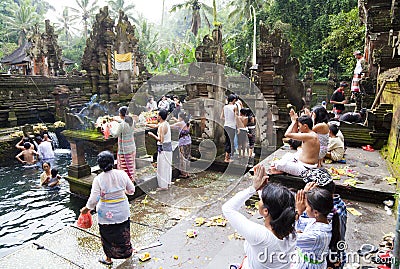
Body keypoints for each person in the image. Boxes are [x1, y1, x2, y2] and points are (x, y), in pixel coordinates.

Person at [222, 165, 296, 269]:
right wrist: (263, 189)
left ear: (266, 211)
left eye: (261, 200)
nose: (259, 200)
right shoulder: (291, 230)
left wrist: (253, 188)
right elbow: (273, 205)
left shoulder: (260, 236)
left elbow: (227, 208)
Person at [80, 151, 135, 266]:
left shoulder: (98, 179)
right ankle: (127, 253)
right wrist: (122, 192)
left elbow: (94, 199)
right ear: (112, 161)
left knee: (107, 236)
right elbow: (131, 190)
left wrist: (87, 208)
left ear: (99, 165)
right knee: (123, 232)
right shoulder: (122, 174)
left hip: (105, 213)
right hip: (122, 211)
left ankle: (108, 259)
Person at [294, 184, 341, 269]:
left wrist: (298, 211)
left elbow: (290, 239)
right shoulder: (323, 220)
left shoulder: (316, 235)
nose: (305, 208)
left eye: (306, 206)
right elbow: (300, 224)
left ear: (315, 212)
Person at [148, 109, 172, 190]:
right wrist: (146, 124)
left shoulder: (162, 126)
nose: (157, 116)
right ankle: (167, 182)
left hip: (163, 149)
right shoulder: (165, 123)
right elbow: (155, 126)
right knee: (167, 166)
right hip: (168, 148)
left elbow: (161, 140)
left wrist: (152, 135)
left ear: (160, 117)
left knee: (162, 167)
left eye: (158, 115)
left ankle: (163, 186)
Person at [111, 106, 136, 181]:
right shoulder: (132, 121)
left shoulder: (122, 124)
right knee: (131, 165)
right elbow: (124, 121)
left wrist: (110, 128)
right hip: (132, 146)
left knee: (124, 166)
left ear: (121, 114)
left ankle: (125, 181)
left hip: (124, 149)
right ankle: (131, 179)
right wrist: (116, 119)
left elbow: (115, 134)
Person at [170, 112, 191, 178]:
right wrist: (174, 118)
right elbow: (179, 122)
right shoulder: (186, 122)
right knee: (187, 157)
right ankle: (187, 172)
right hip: (188, 141)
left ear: (181, 118)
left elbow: (171, 126)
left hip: (183, 142)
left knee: (182, 157)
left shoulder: (180, 123)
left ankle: (184, 173)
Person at [220, 94, 237, 163]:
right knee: (230, 142)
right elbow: (236, 117)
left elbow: (221, 117)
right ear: (234, 100)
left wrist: (227, 119)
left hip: (226, 125)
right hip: (232, 126)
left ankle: (228, 156)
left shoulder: (225, 107)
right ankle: (226, 158)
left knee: (228, 141)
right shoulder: (234, 107)